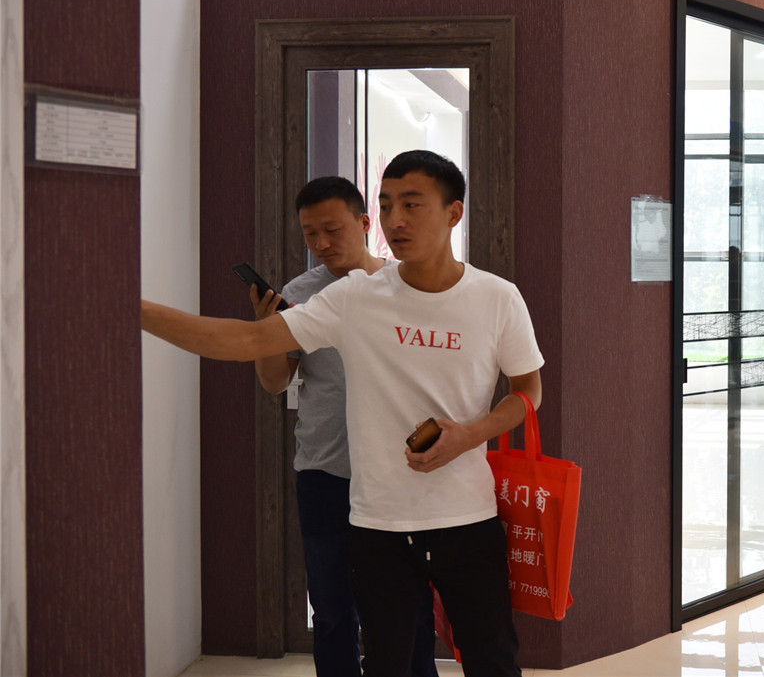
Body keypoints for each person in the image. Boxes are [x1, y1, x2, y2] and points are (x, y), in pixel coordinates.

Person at [143, 151, 542, 677]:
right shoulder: (355, 296)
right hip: (378, 524)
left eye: (412, 204)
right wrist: (135, 310)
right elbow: (245, 341)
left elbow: (528, 390)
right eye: (387, 204)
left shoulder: (497, 297)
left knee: (493, 663)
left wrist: (470, 435)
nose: (395, 219)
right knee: (384, 663)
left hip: (468, 517)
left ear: (453, 213)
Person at [247, 176, 437, 677]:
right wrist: (266, 332)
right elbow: (275, 382)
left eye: (332, 229)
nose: (322, 243)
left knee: (410, 606)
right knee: (332, 607)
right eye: (310, 233)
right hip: (325, 472)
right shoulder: (300, 294)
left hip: (400, 472)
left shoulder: (407, 284)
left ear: (364, 222)